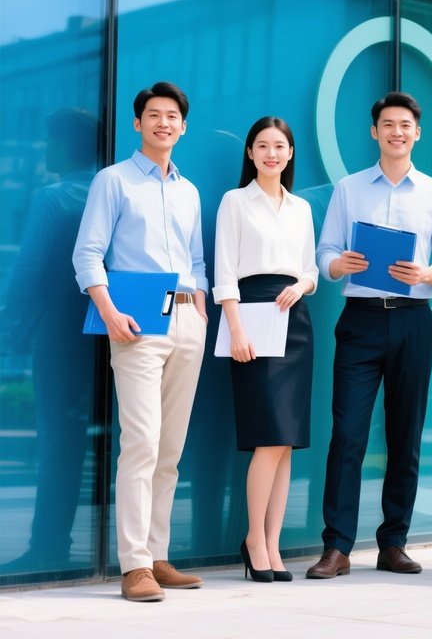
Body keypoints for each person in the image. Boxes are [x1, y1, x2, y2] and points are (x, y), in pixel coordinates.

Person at [306, 91, 432, 579]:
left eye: (405, 125)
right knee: (347, 434)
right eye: (387, 124)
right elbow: (324, 249)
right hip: (360, 319)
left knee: (405, 435)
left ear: (418, 133)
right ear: (374, 132)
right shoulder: (349, 189)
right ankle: (337, 546)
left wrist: (428, 275)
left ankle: (394, 541)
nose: (397, 131)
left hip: (415, 320)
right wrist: (338, 264)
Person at [72, 82, 208, 602]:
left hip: (185, 324)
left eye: (172, 116)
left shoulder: (190, 190)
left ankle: (158, 555)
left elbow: (196, 261)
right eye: (153, 115)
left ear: (183, 125)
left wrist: (199, 309)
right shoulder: (114, 181)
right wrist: (108, 312)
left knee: (171, 448)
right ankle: (134, 566)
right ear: (137, 124)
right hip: (134, 324)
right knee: (142, 443)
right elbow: (88, 254)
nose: (163, 123)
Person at [213, 116, 317, 583]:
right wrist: (235, 329)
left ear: (290, 153)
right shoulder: (235, 201)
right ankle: (254, 537)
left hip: (293, 320)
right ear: (250, 154)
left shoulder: (300, 208)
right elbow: (225, 274)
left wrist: (303, 285)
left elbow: (311, 268)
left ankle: (274, 543)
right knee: (267, 437)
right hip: (252, 319)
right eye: (262, 146)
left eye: (279, 146)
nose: (271, 153)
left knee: (287, 441)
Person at [0, 109, 97, 573]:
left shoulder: (53, 198)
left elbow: (29, 271)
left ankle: (48, 543)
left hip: (60, 336)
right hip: (112, 333)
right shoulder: (113, 191)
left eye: (50, 141)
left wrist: (11, 329)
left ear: (65, 146)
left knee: (59, 439)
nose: (44, 149)